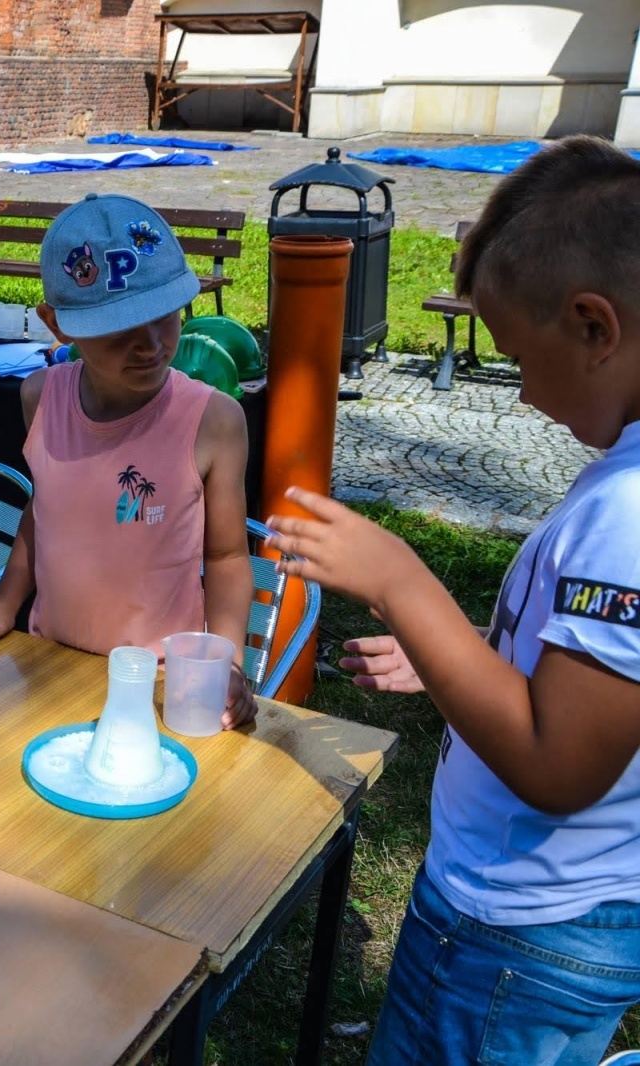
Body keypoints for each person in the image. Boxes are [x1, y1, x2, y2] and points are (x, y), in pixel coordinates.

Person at [264, 136, 640, 1064]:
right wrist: (459, 650)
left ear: (596, 328)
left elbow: (560, 766)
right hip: (536, 921)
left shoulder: (629, 514)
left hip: (517, 934)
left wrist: (401, 581)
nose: (520, 394)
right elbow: (587, 688)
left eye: (519, 357)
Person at [0, 194, 255, 727]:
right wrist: (7, 601)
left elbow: (229, 557)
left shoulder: (215, 420)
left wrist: (227, 661)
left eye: (165, 318)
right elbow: (42, 510)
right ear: (58, 324)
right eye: (119, 330)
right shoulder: (38, 397)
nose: (149, 346)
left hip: (161, 684)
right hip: (48, 662)